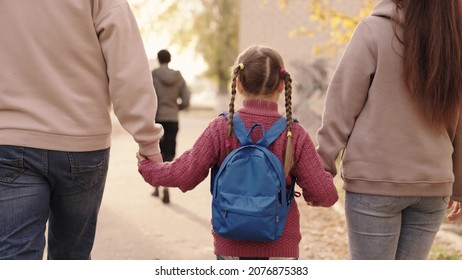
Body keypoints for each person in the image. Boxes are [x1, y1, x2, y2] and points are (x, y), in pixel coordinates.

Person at [137, 45, 338, 260]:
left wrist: (147, 167)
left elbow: (184, 173)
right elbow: (325, 195)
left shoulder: (222, 128)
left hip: (230, 247)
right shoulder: (294, 135)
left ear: (239, 84)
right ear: (282, 85)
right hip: (280, 247)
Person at [0, 0, 164, 260]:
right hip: (83, 143)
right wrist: (148, 141)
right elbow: (127, 63)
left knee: (13, 258)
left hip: (9, 138)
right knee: (72, 257)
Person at [316, 0, 462, 260]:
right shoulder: (454, 40)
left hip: (375, 184)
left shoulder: (372, 31)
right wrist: (458, 183)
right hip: (434, 188)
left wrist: (323, 164)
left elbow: (342, 104)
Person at [151, 49, 191, 204]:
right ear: (170, 59)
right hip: (173, 119)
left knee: (156, 151)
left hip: (157, 119)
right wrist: (176, 109)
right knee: (169, 152)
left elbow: (148, 95)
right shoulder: (179, 77)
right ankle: (166, 187)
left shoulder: (154, 74)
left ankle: (155, 185)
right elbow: (186, 99)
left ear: (158, 60)